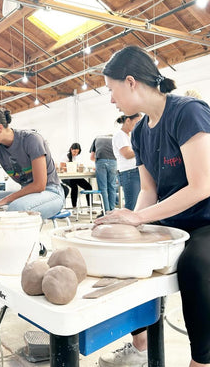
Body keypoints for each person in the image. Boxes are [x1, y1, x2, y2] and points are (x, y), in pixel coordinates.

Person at [95, 45, 210, 367]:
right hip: (173, 221)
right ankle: (140, 345)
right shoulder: (140, 133)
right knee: (125, 256)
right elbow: (149, 189)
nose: (111, 99)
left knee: (196, 265)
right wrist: (129, 221)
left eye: (111, 89)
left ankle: (202, 360)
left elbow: (202, 185)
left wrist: (140, 217)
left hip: (206, 219)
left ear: (130, 82)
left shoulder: (188, 111)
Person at [112, 114, 141, 210]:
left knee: (137, 205)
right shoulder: (120, 135)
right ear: (128, 120)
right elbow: (127, 154)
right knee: (131, 206)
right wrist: (143, 148)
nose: (138, 125)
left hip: (134, 171)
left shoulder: (128, 135)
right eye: (137, 122)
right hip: (129, 172)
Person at [61, 143, 92, 211]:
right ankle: (74, 207)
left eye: (77, 152)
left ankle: (90, 207)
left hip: (76, 176)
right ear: (71, 149)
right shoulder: (65, 156)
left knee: (88, 187)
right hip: (66, 177)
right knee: (74, 186)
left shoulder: (78, 157)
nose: (75, 153)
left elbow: (80, 166)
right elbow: (62, 167)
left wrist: (80, 168)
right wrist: (71, 167)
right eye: (74, 151)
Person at [89, 135, 117, 213]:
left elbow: (92, 157)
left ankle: (106, 211)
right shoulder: (114, 139)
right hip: (113, 162)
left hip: (100, 161)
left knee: (103, 188)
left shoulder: (97, 138)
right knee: (112, 187)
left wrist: (98, 164)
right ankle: (112, 210)